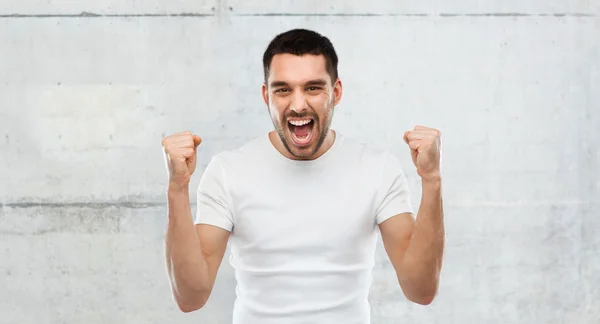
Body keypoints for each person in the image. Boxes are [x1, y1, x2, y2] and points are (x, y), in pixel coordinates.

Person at [162, 28, 445, 323]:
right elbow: (190, 297)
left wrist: (432, 179)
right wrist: (177, 188)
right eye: (283, 89)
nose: (298, 105)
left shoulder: (378, 169)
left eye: (313, 88)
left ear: (336, 92)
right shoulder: (228, 171)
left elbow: (420, 289)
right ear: (266, 95)